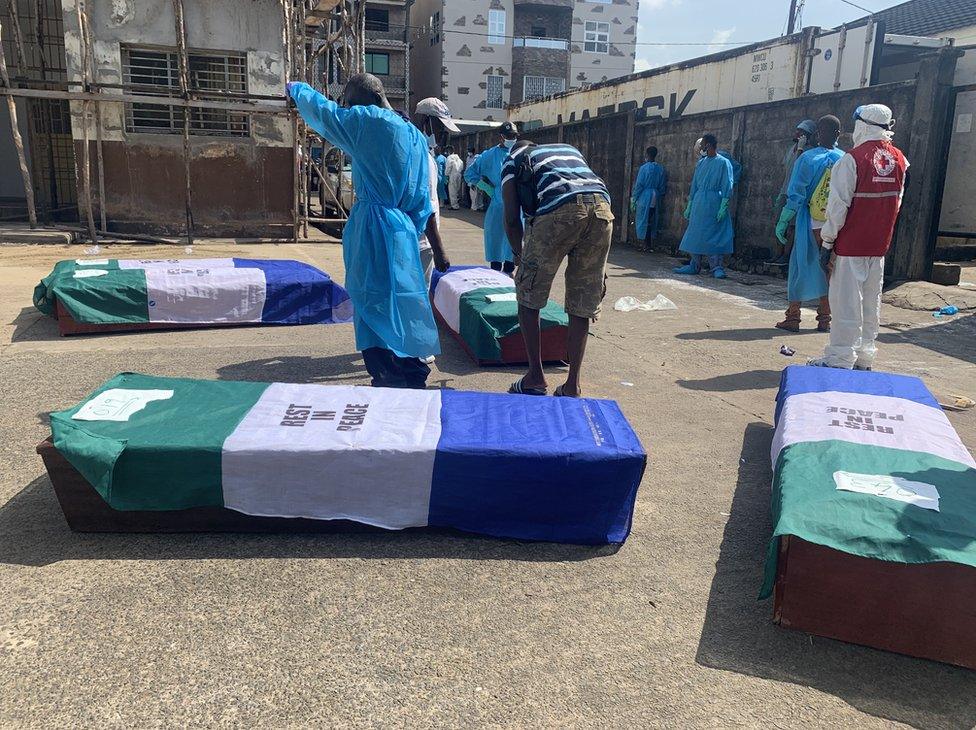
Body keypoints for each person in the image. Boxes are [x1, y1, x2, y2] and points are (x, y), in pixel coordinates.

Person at [288, 75, 449, 389]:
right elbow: (421, 197)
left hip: (372, 223)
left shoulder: (366, 121)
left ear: (361, 99)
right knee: (401, 298)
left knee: (369, 298)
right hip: (403, 228)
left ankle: (385, 374)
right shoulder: (415, 137)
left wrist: (297, 89)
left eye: (348, 103)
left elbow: (323, 113)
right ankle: (412, 371)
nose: (346, 110)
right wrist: (410, 228)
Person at [501, 140, 614, 398]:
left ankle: (535, 377)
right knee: (581, 304)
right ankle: (572, 385)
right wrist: (600, 267)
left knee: (528, 297)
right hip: (602, 209)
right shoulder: (568, 150)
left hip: (558, 210)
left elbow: (510, 218)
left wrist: (521, 259)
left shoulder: (512, 160)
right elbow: (588, 195)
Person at [808, 104, 908, 371]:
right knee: (870, 302)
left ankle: (839, 359)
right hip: (878, 246)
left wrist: (827, 242)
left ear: (863, 125)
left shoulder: (852, 160)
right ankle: (865, 357)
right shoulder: (900, 159)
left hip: (851, 245)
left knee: (846, 304)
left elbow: (837, 207)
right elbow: (896, 204)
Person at [773, 115, 843, 332]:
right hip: (835, 222)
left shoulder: (807, 158)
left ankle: (793, 316)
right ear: (838, 134)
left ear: (816, 134)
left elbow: (796, 194)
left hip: (809, 221)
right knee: (829, 270)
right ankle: (825, 319)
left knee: (800, 265)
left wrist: (784, 220)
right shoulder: (845, 158)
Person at [674, 134, 734, 279]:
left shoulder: (723, 162)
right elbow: (694, 184)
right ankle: (694, 264)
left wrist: (723, 205)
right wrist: (690, 203)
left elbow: (728, 184)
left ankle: (716, 267)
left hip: (714, 202)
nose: (700, 149)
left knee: (715, 235)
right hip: (699, 202)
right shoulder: (701, 163)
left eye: (702, 146)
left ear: (708, 145)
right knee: (696, 232)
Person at [464, 121, 518, 273]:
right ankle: (494, 275)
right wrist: (489, 189)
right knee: (495, 242)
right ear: (501, 137)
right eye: (509, 136)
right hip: (498, 206)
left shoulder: (520, 153)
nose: (512, 139)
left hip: (517, 207)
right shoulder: (489, 156)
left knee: (513, 245)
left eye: (514, 136)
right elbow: (469, 174)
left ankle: (508, 274)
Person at [772, 119, 818, 264]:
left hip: (798, 195)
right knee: (779, 223)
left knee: (792, 226)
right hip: (785, 191)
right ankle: (778, 254)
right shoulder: (791, 149)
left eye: (802, 132)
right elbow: (785, 170)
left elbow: (799, 168)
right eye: (797, 130)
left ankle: (786, 256)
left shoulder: (808, 152)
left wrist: (801, 148)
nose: (798, 133)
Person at [631, 146, 668, 247]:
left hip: (645, 196)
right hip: (655, 196)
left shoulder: (644, 168)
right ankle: (649, 243)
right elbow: (662, 186)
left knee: (642, 219)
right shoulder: (660, 168)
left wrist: (634, 198)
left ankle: (642, 243)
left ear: (647, 155)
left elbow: (639, 184)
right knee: (652, 219)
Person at [444, 145, 464, 210]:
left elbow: (448, 167)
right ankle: (456, 204)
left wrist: (446, 174)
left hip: (452, 175)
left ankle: (454, 206)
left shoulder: (449, 158)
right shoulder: (459, 159)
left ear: (449, 151)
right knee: (457, 190)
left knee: (452, 191)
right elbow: (462, 166)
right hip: (459, 174)